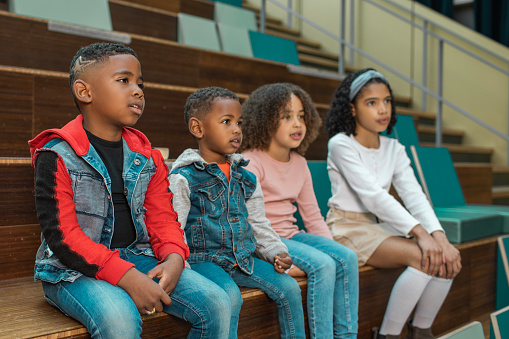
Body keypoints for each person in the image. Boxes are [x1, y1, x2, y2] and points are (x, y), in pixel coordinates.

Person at [28, 42, 231, 339]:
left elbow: (163, 218)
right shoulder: (57, 155)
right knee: (120, 319)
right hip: (71, 271)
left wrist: (174, 257)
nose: (137, 90)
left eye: (140, 83)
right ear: (85, 92)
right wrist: (125, 276)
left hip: (138, 256)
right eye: (124, 80)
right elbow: (64, 238)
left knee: (217, 303)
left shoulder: (148, 156)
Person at [325, 68, 462, 339]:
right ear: (352, 109)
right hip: (347, 228)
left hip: (380, 226)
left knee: (445, 257)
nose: (382, 109)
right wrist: (421, 235)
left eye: (387, 101)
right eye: (371, 102)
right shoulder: (340, 144)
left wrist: (440, 237)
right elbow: (374, 197)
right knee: (424, 257)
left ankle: (422, 331)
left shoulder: (394, 148)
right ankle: (387, 335)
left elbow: (414, 195)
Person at [169, 87, 306, 339]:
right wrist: (184, 273)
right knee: (230, 296)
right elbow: (174, 229)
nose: (236, 129)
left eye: (239, 122)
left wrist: (276, 251)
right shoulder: (184, 177)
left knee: (289, 287)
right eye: (226, 122)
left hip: (243, 259)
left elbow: (258, 223)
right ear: (198, 128)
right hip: (204, 262)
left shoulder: (246, 176)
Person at [240, 82, 359, 339]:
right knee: (324, 265)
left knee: (346, 257)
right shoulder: (252, 162)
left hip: (293, 235)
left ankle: (347, 336)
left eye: (301, 116)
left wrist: (334, 251)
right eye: (286, 116)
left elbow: (313, 218)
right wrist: (271, 257)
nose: (297, 124)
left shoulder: (301, 163)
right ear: (264, 121)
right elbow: (247, 223)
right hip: (268, 240)